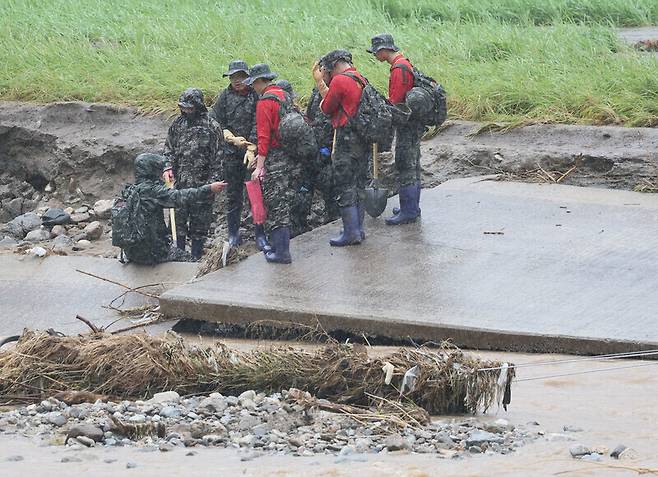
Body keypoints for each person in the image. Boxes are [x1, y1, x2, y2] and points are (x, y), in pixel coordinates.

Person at [121, 153, 226, 265]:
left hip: (132, 252)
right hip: (153, 252)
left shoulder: (129, 191)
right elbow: (181, 196)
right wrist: (209, 189)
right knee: (192, 262)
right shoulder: (154, 192)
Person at [210, 60, 269, 251]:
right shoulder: (224, 97)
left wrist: (251, 146)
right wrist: (228, 136)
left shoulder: (255, 96)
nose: (237, 81)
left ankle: (260, 234)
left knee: (255, 193)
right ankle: (233, 234)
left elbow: (259, 122)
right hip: (231, 154)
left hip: (252, 153)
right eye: (233, 77)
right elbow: (215, 120)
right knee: (233, 195)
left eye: (241, 77)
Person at [312, 49, 367, 246]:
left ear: (334, 65)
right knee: (359, 184)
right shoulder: (361, 78)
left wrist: (321, 85)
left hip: (345, 139)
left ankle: (350, 233)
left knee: (345, 185)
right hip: (362, 139)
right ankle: (358, 229)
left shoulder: (339, 81)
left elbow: (327, 108)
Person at [368, 33, 422, 225]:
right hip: (414, 123)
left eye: (375, 52)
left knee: (405, 164)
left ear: (383, 50)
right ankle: (412, 207)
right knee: (413, 164)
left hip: (407, 124)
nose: (374, 55)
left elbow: (396, 101)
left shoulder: (399, 69)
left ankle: (408, 211)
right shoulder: (404, 63)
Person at [163, 87, 223, 260]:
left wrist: (211, 185)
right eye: (184, 107)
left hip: (202, 185)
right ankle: (179, 254)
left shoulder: (212, 126)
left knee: (199, 225)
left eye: (190, 108)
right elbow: (168, 149)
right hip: (180, 184)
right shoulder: (177, 124)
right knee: (178, 223)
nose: (186, 111)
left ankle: (196, 256)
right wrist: (167, 168)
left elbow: (218, 158)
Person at [245, 64, 294, 264]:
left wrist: (259, 166)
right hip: (288, 155)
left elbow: (264, 138)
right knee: (283, 202)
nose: (253, 88)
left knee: (276, 205)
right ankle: (279, 248)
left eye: (253, 84)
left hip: (275, 158)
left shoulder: (264, 102)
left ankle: (281, 253)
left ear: (259, 82)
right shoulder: (283, 95)